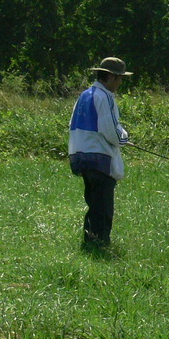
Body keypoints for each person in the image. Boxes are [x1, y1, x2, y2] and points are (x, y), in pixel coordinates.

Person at [69, 57, 133, 246]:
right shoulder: (104, 97)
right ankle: (100, 243)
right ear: (111, 76)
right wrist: (124, 138)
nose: (120, 83)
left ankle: (90, 241)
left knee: (93, 203)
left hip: (81, 154)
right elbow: (110, 129)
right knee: (103, 207)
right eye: (120, 78)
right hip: (100, 157)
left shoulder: (85, 95)